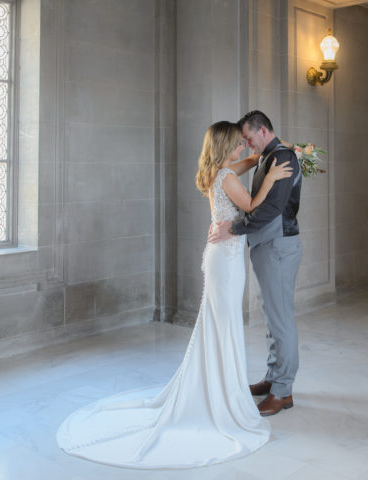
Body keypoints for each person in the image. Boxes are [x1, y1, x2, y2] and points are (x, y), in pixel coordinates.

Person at [56, 121, 292, 469]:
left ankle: (220, 386)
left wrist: (272, 151)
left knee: (218, 324)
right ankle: (221, 396)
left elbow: (245, 163)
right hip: (225, 260)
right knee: (222, 323)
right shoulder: (226, 177)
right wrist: (271, 179)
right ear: (227, 144)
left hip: (221, 256)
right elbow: (254, 206)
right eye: (238, 143)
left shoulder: (220, 170)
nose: (243, 147)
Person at [208, 110, 302, 417]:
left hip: (277, 245)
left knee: (281, 319)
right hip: (266, 245)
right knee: (272, 316)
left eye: (248, 138)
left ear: (262, 131)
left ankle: (282, 391)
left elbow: (272, 208)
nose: (246, 145)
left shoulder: (282, 157)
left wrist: (234, 229)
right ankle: (273, 377)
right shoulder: (268, 155)